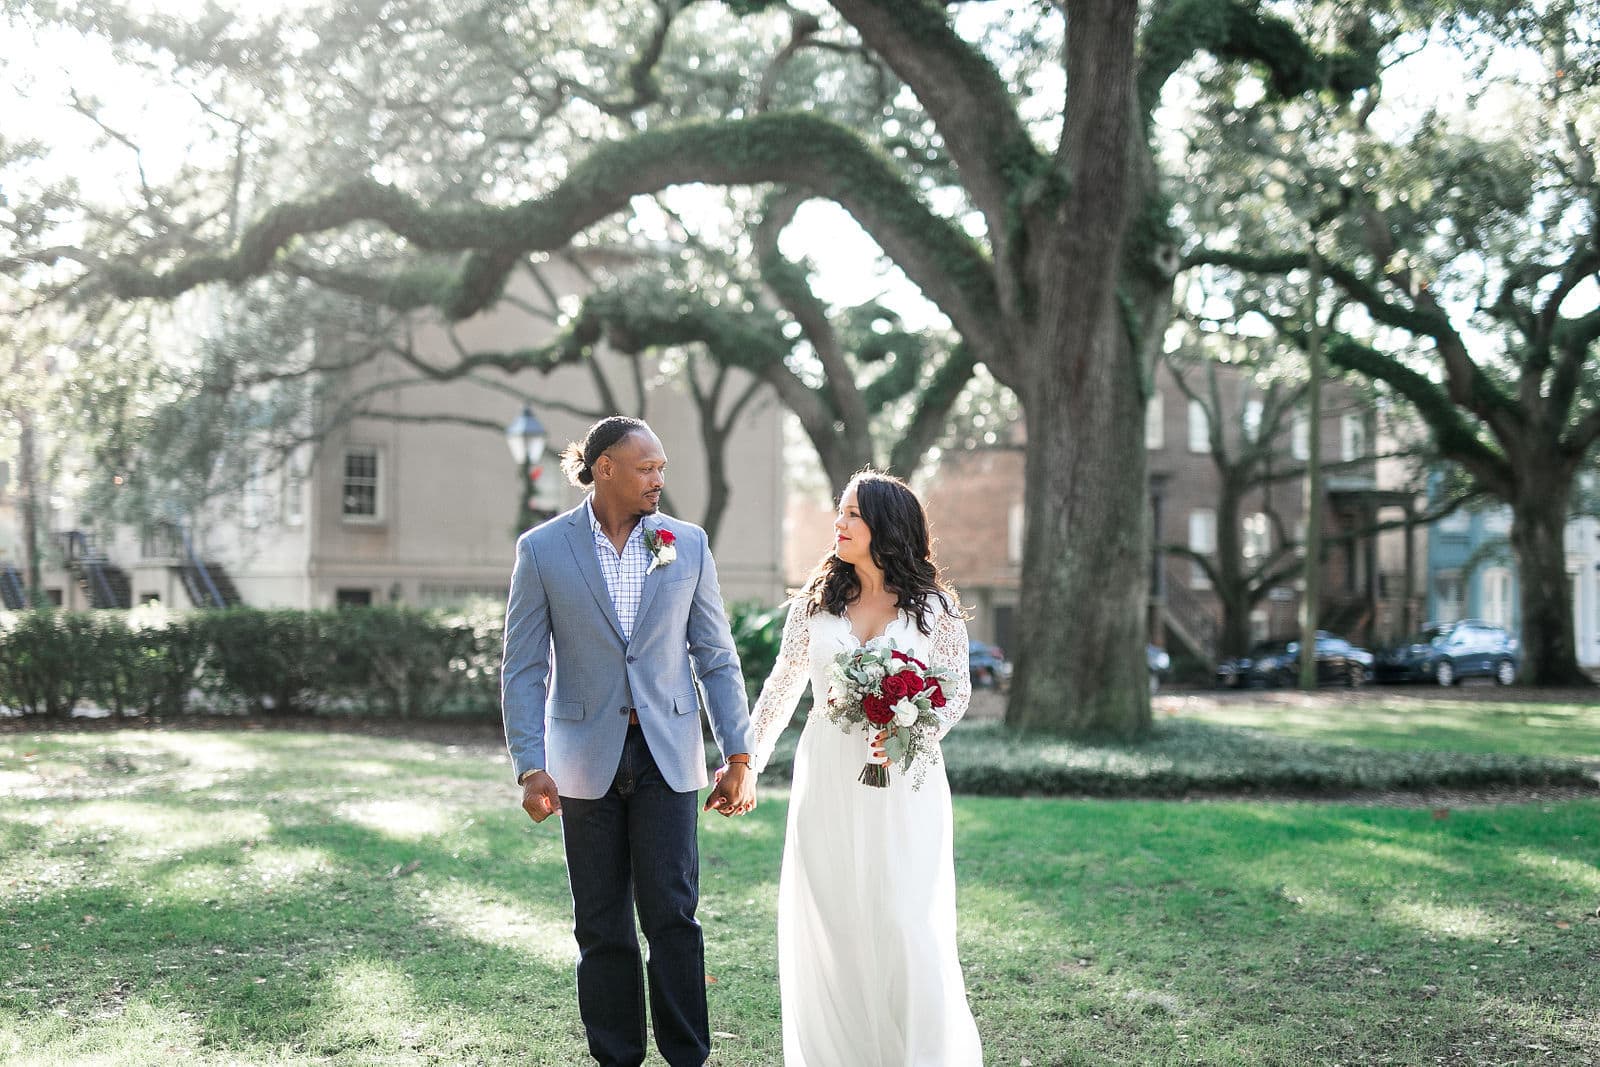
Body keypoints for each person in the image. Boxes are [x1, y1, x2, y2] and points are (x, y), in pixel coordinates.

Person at [501, 415, 757, 1067]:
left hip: (668, 757)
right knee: (600, 921)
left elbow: (716, 656)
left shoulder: (685, 542)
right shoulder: (543, 549)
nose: (659, 480)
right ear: (605, 466)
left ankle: (687, 1056)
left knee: (673, 914)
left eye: (663, 468)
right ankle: (615, 1056)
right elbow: (525, 666)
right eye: (647, 468)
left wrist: (739, 753)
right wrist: (530, 765)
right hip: (582, 762)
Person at [747, 469, 984, 1065]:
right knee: (833, 920)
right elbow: (781, 688)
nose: (840, 522)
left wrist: (909, 725)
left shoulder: (933, 607)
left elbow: (955, 691)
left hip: (905, 779)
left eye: (853, 513)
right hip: (827, 774)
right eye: (840, 511)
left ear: (887, 527)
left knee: (905, 920)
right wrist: (746, 762)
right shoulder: (816, 602)